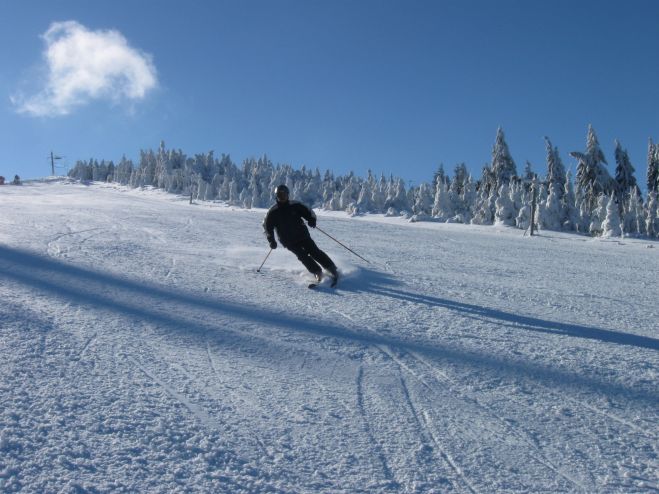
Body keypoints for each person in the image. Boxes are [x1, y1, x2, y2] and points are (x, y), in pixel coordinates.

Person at [263, 184, 339, 285]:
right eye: (280, 196)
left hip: (302, 235)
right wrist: (271, 240)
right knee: (302, 256)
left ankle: (331, 268)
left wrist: (312, 220)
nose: (282, 198)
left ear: (288, 195)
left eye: (284, 195)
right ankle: (317, 272)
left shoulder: (295, 205)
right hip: (288, 240)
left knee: (314, 251)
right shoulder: (273, 212)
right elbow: (267, 227)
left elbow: (309, 212)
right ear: (276, 196)